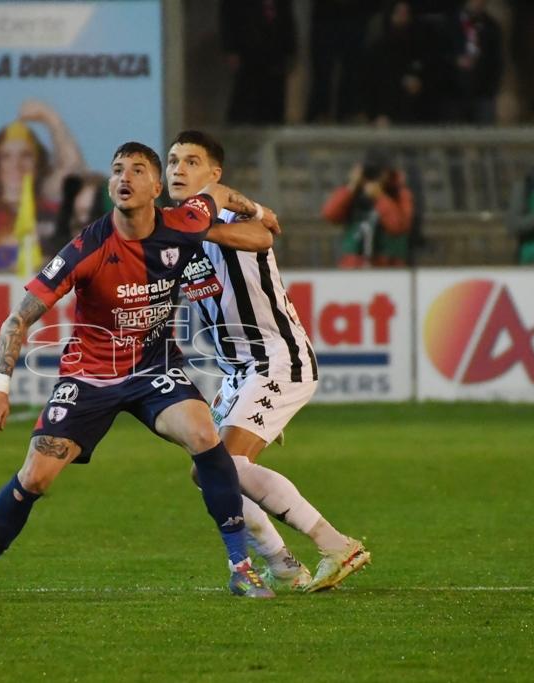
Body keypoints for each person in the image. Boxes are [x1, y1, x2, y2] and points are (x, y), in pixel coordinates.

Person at [0, 142, 283, 601]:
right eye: (117, 170)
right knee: (35, 477)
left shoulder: (185, 222)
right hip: (90, 376)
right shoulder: (87, 248)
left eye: (136, 170)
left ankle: (241, 568)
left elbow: (218, 193)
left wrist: (259, 211)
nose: (123, 178)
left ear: (156, 187)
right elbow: (18, 319)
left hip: (154, 369)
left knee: (203, 434)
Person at [168, 130, 370, 592]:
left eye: (191, 161)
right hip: (238, 372)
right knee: (206, 472)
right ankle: (284, 564)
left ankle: (336, 545)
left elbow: (261, 236)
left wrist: (201, 226)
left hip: (278, 359)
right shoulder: (173, 233)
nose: (178, 169)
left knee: (223, 465)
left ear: (214, 175)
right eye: (173, 160)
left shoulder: (227, 217)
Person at [0, 113, 84, 272]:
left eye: (26, 155)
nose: (16, 164)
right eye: (6, 156)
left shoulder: (56, 215)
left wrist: (50, 117)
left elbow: (73, 169)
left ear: (38, 162)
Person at [322, 150, 415, 268]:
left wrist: (380, 197)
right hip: (354, 264)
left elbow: (398, 226)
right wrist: (351, 187)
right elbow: (330, 214)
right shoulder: (352, 192)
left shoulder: (399, 193)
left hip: (388, 265)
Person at [219, 0, 297, 124]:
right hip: (248, 52)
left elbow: (287, 21)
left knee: (273, 100)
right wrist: (231, 49)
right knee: (246, 97)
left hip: (276, 54)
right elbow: (228, 19)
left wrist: (291, 50)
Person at [441, 0, 503, 124]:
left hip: (483, 93)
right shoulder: (450, 24)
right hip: (454, 92)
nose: (479, 3)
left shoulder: (491, 26)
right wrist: (456, 61)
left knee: (485, 131)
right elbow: (439, 55)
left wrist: (492, 88)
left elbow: (497, 60)